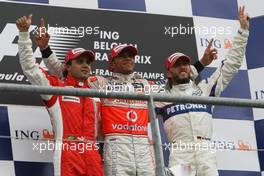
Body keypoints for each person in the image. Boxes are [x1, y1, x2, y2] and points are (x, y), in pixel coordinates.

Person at [35, 19, 217, 175]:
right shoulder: (100, 82)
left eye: (131, 56)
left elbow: (177, 77)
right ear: (112, 64)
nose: (128, 58)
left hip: (143, 149)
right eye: (122, 56)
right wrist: (46, 50)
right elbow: (67, 73)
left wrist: (201, 64)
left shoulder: (146, 85)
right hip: (116, 147)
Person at [155, 6, 250, 176]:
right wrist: (198, 66)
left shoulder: (205, 89)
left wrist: (243, 32)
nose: (182, 67)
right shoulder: (161, 96)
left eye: (185, 63)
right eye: (177, 65)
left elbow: (231, 66)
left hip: (206, 153)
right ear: (168, 72)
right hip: (181, 154)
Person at [16, 14, 103, 176]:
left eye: (88, 62)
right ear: (68, 67)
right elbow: (30, 68)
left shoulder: (96, 92)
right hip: (67, 151)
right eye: (80, 61)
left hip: (92, 152)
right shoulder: (56, 88)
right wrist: (23, 35)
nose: (86, 66)